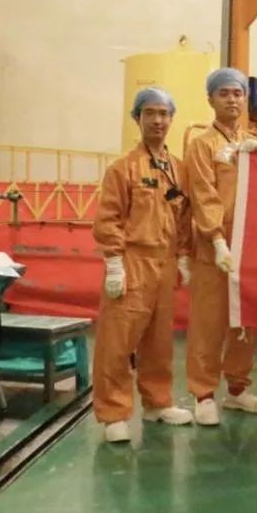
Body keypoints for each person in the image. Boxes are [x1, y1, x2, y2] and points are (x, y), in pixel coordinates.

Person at [91, 88, 194, 443]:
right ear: (138, 118)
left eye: (164, 114)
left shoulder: (178, 169)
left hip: (165, 263)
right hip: (133, 261)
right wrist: (114, 261)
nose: (158, 120)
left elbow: (184, 217)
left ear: (171, 118)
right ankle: (114, 414)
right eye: (150, 113)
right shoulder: (123, 169)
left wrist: (183, 255)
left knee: (159, 340)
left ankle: (157, 402)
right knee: (118, 341)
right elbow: (109, 218)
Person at [184, 67, 257, 425]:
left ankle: (237, 389)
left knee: (243, 321)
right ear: (211, 99)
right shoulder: (202, 145)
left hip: (248, 248)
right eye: (224, 93)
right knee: (209, 322)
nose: (232, 99)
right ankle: (203, 394)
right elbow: (203, 195)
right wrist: (217, 239)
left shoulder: (253, 144)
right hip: (213, 249)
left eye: (237, 93)